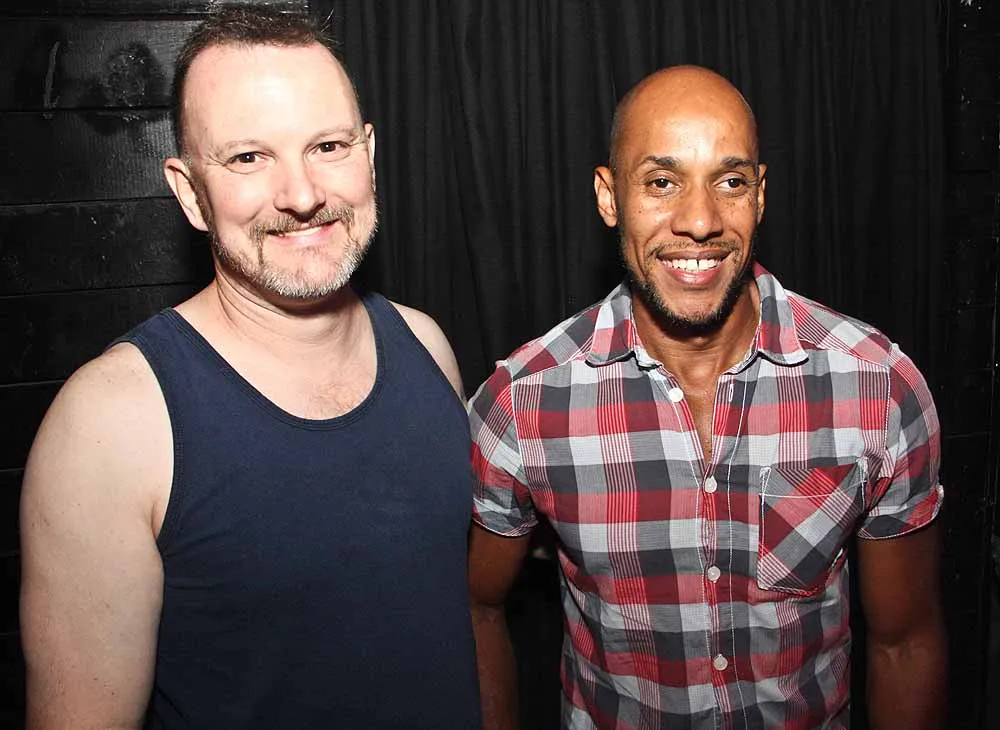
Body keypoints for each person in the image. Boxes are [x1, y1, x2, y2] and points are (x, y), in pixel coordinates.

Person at [19, 7, 480, 729]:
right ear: (189, 193)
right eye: (247, 158)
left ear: (369, 154)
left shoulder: (426, 346)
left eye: (328, 146)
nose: (302, 195)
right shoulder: (112, 424)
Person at [468, 65, 946, 730]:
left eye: (730, 182)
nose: (699, 221)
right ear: (609, 198)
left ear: (760, 196)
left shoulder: (877, 389)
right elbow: (477, 608)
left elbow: (905, 643)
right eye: (662, 182)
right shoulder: (523, 404)